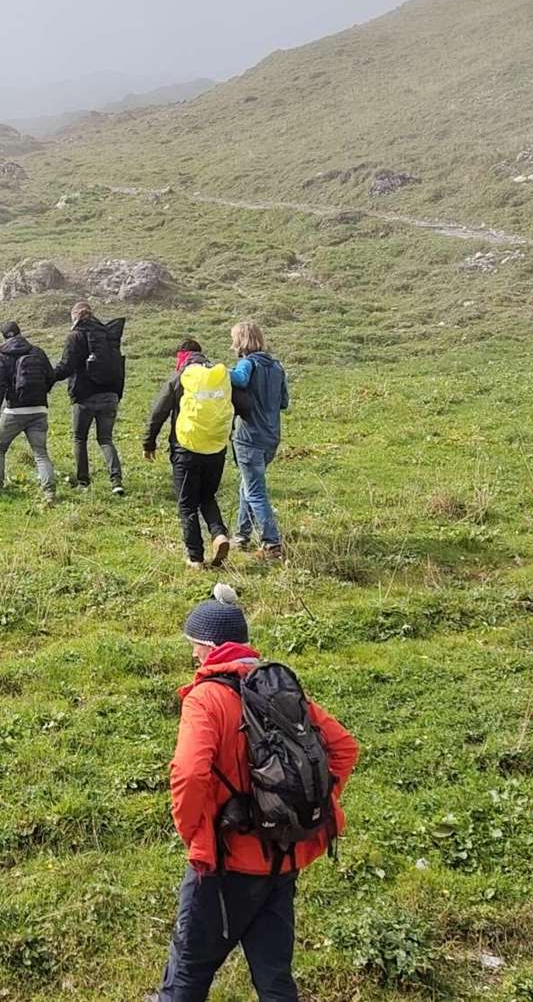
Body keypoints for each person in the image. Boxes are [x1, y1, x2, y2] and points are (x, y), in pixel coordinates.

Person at [154, 584, 358, 1002]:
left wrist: (194, 832)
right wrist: (297, 809)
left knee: (188, 973)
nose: (193, 654)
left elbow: (190, 773)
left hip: (224, 865)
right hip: (281, 861)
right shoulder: (280, 692)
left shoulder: (206, 700)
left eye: (195, 645)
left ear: (210, 648)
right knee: (275, 980)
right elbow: (342, 748)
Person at [144, 339, 253, 568]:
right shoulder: (220, 378)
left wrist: (149, 442)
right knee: (207, 496)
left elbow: (158, 412)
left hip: (186, 448)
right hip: (216, 447)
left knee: (187, 503)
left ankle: (195, 558)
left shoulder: (180, 378)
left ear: (182, 358)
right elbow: (246, 407)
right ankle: (219, 535)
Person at [49, 300, 126, 496]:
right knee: (106, 439)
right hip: (110, 394)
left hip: (84, 396)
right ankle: (116, 480)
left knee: (79, 438)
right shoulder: (109, 335)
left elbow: (66, 367)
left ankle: (83, 481)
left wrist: (47, 378)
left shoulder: (75, 336)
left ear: (74, 317)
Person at [227, 322, 290, 557]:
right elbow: (284, 402)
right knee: (248, 486)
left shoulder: (247, 363)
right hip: (271, 437)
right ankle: (242, 536)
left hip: (248, 437)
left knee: (254, 492)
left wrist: (218, 371)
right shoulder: (276, 367)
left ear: (240, 341)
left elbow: (240, 380)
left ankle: (271, 542)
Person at [0, 320, 57, 499]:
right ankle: (49, 492)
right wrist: (42, 393)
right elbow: (51, 377)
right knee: (40, 453)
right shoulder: (37, 352)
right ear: (20, 332)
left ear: (4, 336)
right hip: (39, 410)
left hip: (14, 411)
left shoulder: (2, 354)